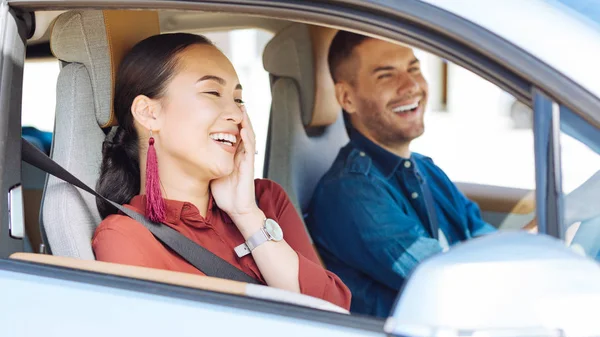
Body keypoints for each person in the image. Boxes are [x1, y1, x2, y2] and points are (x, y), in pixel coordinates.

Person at [92, 33, 351, 310]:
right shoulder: (126, 238)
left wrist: (246, 215)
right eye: (213, 93)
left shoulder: (265, 200)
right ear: (148, 113)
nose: (237, 115)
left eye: (239, 100)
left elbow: (335, 311)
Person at [306, 32, 495, 317]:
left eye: (414, 68)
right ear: (347, 98)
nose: (411, 86)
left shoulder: (426, 169)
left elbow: (486, 242)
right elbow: (453, 286)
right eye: (386, 75)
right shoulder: (350, 192)